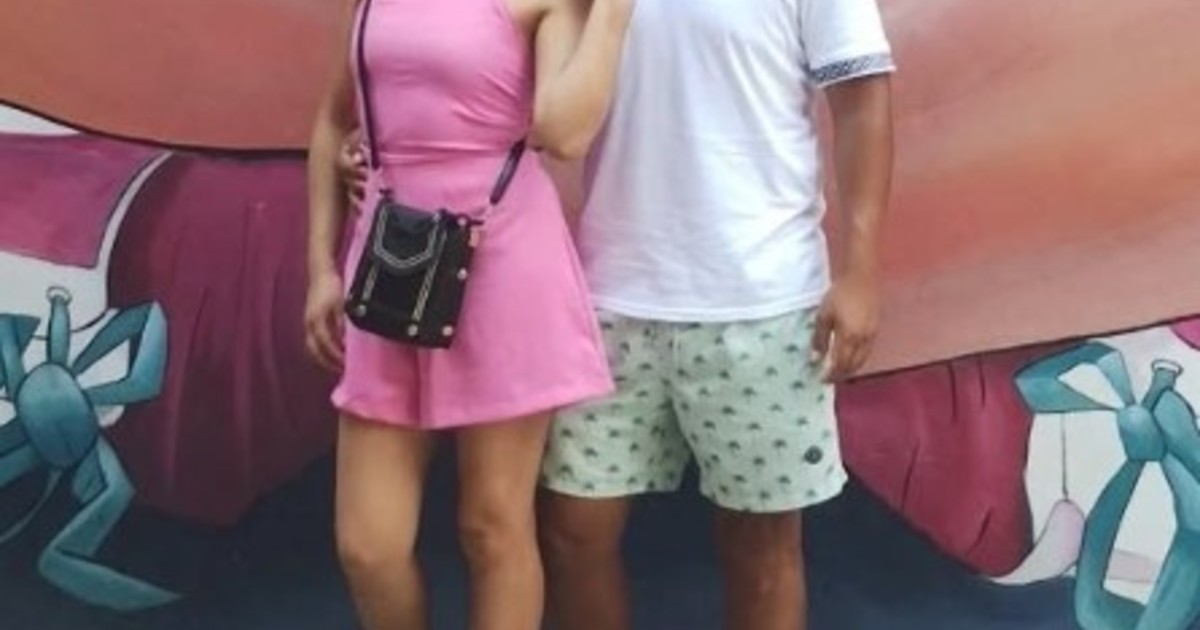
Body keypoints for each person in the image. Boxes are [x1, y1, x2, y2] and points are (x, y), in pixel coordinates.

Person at [534, 1, 896, 629]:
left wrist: (860, 273)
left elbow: (862, 101)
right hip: (609, 299)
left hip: (762, 304)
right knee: (571, 532)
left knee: (760, 548)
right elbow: (513, 71)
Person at [303, 0, 633, 628]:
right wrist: (321, 268)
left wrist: (613, 15)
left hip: (504, 264)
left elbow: (565, 135)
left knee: (492, 526)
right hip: (393, 264)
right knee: (369, 546)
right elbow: (331, 123)